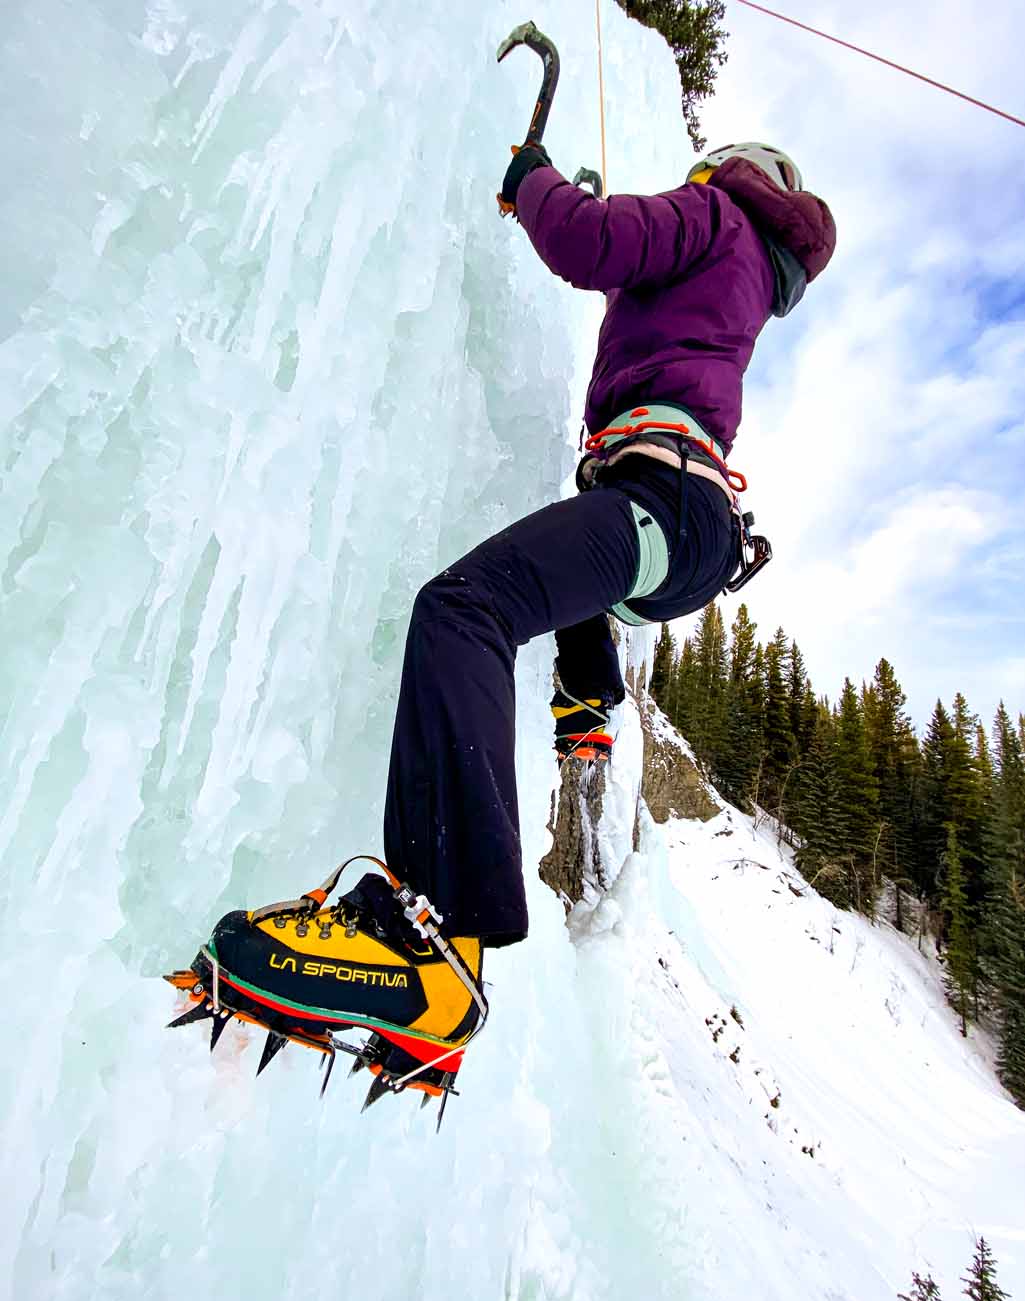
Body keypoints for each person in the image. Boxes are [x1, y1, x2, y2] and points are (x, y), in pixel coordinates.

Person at [172, 141, 835, 1100]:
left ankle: (430, 942)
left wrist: (534, 180)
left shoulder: (712, 215)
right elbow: (641, 294)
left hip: (663, 502)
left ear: (731, 171)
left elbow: (588, 242)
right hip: (681, 534)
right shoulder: (744, 270)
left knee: (463, 611)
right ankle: (587, 707)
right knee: (561, 575)